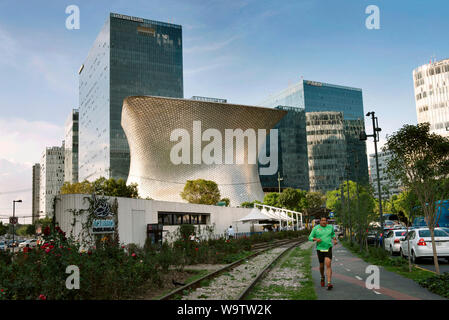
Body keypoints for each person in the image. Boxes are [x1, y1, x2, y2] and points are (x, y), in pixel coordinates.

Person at [308, 216, 337, 290]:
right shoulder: (316, 228)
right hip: (320, 249)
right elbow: (310, 237)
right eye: (322, 220)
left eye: (325, 220)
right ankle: (322, 277)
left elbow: (333, 234)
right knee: (321, 266)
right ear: (320, 221)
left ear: (327, 221)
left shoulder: (330, 227)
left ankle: (329, 283)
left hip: (328, 248)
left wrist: (334, 239)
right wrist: (316, 239)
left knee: (328, 264)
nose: (324, 222)